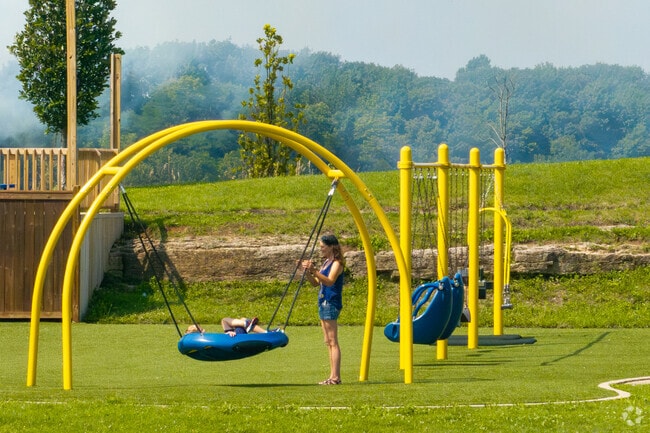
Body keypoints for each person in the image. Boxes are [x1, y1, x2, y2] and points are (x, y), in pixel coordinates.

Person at [302, 233, 345, 385]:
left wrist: (314, 271)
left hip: (330, 302)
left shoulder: (337, 263)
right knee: (328, 341)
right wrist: (308, 272)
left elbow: (329, 281)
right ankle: (332, 376)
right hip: (322, 302)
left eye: (323, 247)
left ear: (332, 247)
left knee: (333, 341)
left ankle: (336, 377)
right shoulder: (326, 262)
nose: (321, 250)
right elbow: (316, 283)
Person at [184, 317, 266, 337]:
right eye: (200, 329)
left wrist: (227, 333)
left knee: (224, 320)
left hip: (229, 336)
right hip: (233, 339)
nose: (204, 329)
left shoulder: (203, 338)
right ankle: (246, 324)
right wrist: (228, 333)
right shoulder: (202, 338)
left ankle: (246, 324)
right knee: (225, 320)